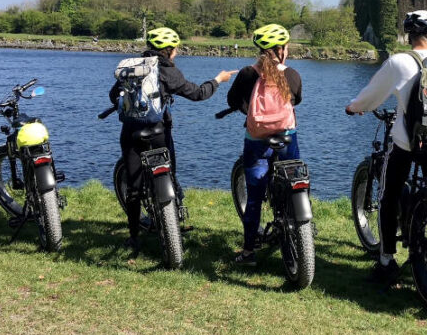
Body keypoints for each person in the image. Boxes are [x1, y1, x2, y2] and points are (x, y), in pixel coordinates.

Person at [345, 10, 427, 284]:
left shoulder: (398, 62)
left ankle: (386, 260)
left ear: (412, 36)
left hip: (406, 142)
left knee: (388, 195)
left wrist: (354, 107)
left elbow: (372, 95)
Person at [109, 27, 236, 252]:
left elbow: (113, 95)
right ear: (168, 50)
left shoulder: (132, 67)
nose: (176, 52)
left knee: (134, 189)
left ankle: (133, 238)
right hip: (159, 132)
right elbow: (198, 93)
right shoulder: (168, 71)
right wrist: (218, 79)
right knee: (168, 174)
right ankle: (174, 215)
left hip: (131, 131)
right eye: (175, 49)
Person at [226, 24, 303, 266]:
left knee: (254, 197)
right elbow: (297, 99)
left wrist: (250, 112)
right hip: (286, 137)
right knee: (295, 182)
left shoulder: (247, 74)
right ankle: (302, 225)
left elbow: (232, 100)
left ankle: (249, 252)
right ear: (282, 50)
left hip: (257, 139)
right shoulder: (292, 74)